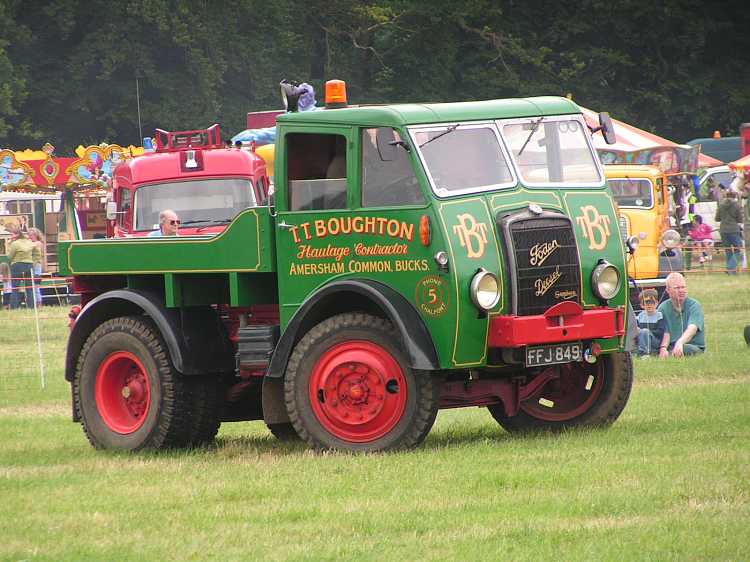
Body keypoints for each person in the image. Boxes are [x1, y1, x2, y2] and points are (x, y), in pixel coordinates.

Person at [657, 272, 705, 357]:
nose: (681, 291)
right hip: (670, 345)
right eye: (677, 288)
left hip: (691, 346)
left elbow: (692, 328)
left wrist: (680, 343)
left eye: (683, 287)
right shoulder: (663, 308)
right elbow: (664, 332)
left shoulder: (694, 305)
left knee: (685, 348)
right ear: (668, 290)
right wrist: (663, 348)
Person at [8, 227, 41, 309]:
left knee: (15, 287)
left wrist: (10, 244)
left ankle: (14, 307)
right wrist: (33, 263)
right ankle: (31, 307)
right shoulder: (29, 242)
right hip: (29, 265)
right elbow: (37, 254)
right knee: (29, 288)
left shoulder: (14, 244)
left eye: (12, 234)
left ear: (17, 235)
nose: (11, 236)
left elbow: (9, 256)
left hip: (17, 265)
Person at [714, 190, 743, 274]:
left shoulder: (721, 205)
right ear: (734, 197)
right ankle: (731, 268)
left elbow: (717, 218)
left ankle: (730, 269)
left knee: (728, 250)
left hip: (723, 230)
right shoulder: (737, 205)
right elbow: (740, 219)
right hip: (734, 229)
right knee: (738, 250)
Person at [636, 288, 670, 357]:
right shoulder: (640, 316)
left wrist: (648, 332)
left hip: (655, 341)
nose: (649, 305)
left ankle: (644, 353)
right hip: (643, 340)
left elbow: (660, 332)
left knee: (645, 331)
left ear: (656, 303)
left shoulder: (659, 316)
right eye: (646, 303)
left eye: (652, 302)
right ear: (641, 305)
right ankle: (640, 351)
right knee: (642, 333)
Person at [28, 227, 45, 306]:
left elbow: (30, 247)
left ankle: (39, 304)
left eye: (31, 235)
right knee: (31, 286)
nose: (30, 236)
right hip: (31, 265)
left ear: (36, 235)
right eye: (29, 235)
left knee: (36, 286)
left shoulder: (38, 243)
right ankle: (33, 303)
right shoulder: (31, 242)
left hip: (36, 266)